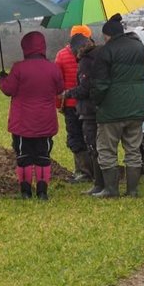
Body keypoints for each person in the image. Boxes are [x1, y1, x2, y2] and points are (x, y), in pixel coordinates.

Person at [0, 31, 64, 200]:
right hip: (45, 121)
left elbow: (8, 89)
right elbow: (59, 89)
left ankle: (25, 192)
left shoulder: (18, 68)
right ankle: (42, 192)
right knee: (43, 156)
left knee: (24, 157)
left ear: (25, 47)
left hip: (22, 123)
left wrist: (1, 78)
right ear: (43, 47)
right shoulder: (53, 68)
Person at [90, 14, 144, 198]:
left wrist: (96, 102)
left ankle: (111, 189)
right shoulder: (140, 47)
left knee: (107, 149)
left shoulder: (105, 52)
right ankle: (132, 190)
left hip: (112, 110)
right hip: (137, 106)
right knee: (133, 149)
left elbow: (100, 84)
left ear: (107, 35)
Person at [63, 33, 101, 194]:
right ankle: (101, 178)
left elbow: (85, 88)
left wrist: (68, 93)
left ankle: (96, 180)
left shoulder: (86, 61)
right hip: (102, 107)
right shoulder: (102, 54)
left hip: (89, 109)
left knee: (91, 143)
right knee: (101, 144)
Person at [55, 24, 94, 183]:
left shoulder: (61, 55)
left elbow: (58, 83)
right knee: (91, 136)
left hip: (70, 103)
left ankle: (82, 171)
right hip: (91, 103)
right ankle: (95, 170)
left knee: (75, 136)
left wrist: (60, 104)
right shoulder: (95, 54)